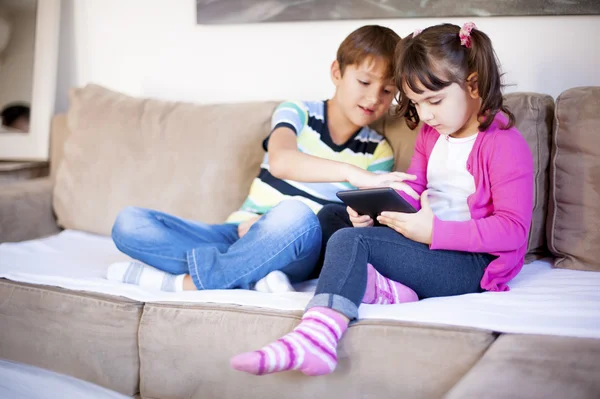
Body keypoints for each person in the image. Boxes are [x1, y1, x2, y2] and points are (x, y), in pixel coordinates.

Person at [230, 22, 534, 377]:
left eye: (434, 101)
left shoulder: (504, 144)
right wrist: (375, 210)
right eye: (417, 103)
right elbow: (413, 185)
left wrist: (434, 233)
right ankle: (382, 288)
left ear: (473, 84)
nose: (426, 115)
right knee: (332, 217)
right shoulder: (432, 133)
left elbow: (513, 231)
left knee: (350, 241)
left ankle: (316, 338)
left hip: (470, 263)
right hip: (424, 240)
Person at [106, 25, 418, 293]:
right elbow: (281, 161)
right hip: (237, 231)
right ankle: (252, 274)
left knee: (294, 214)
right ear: (337, 72)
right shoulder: (297, 111)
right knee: (129, 223)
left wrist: (362, 217)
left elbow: (356, 230)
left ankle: (189, 283)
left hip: (296, 243)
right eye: (364, 82)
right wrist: (352, 173)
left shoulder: (379, 151)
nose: (374, 97)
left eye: (387, 90)